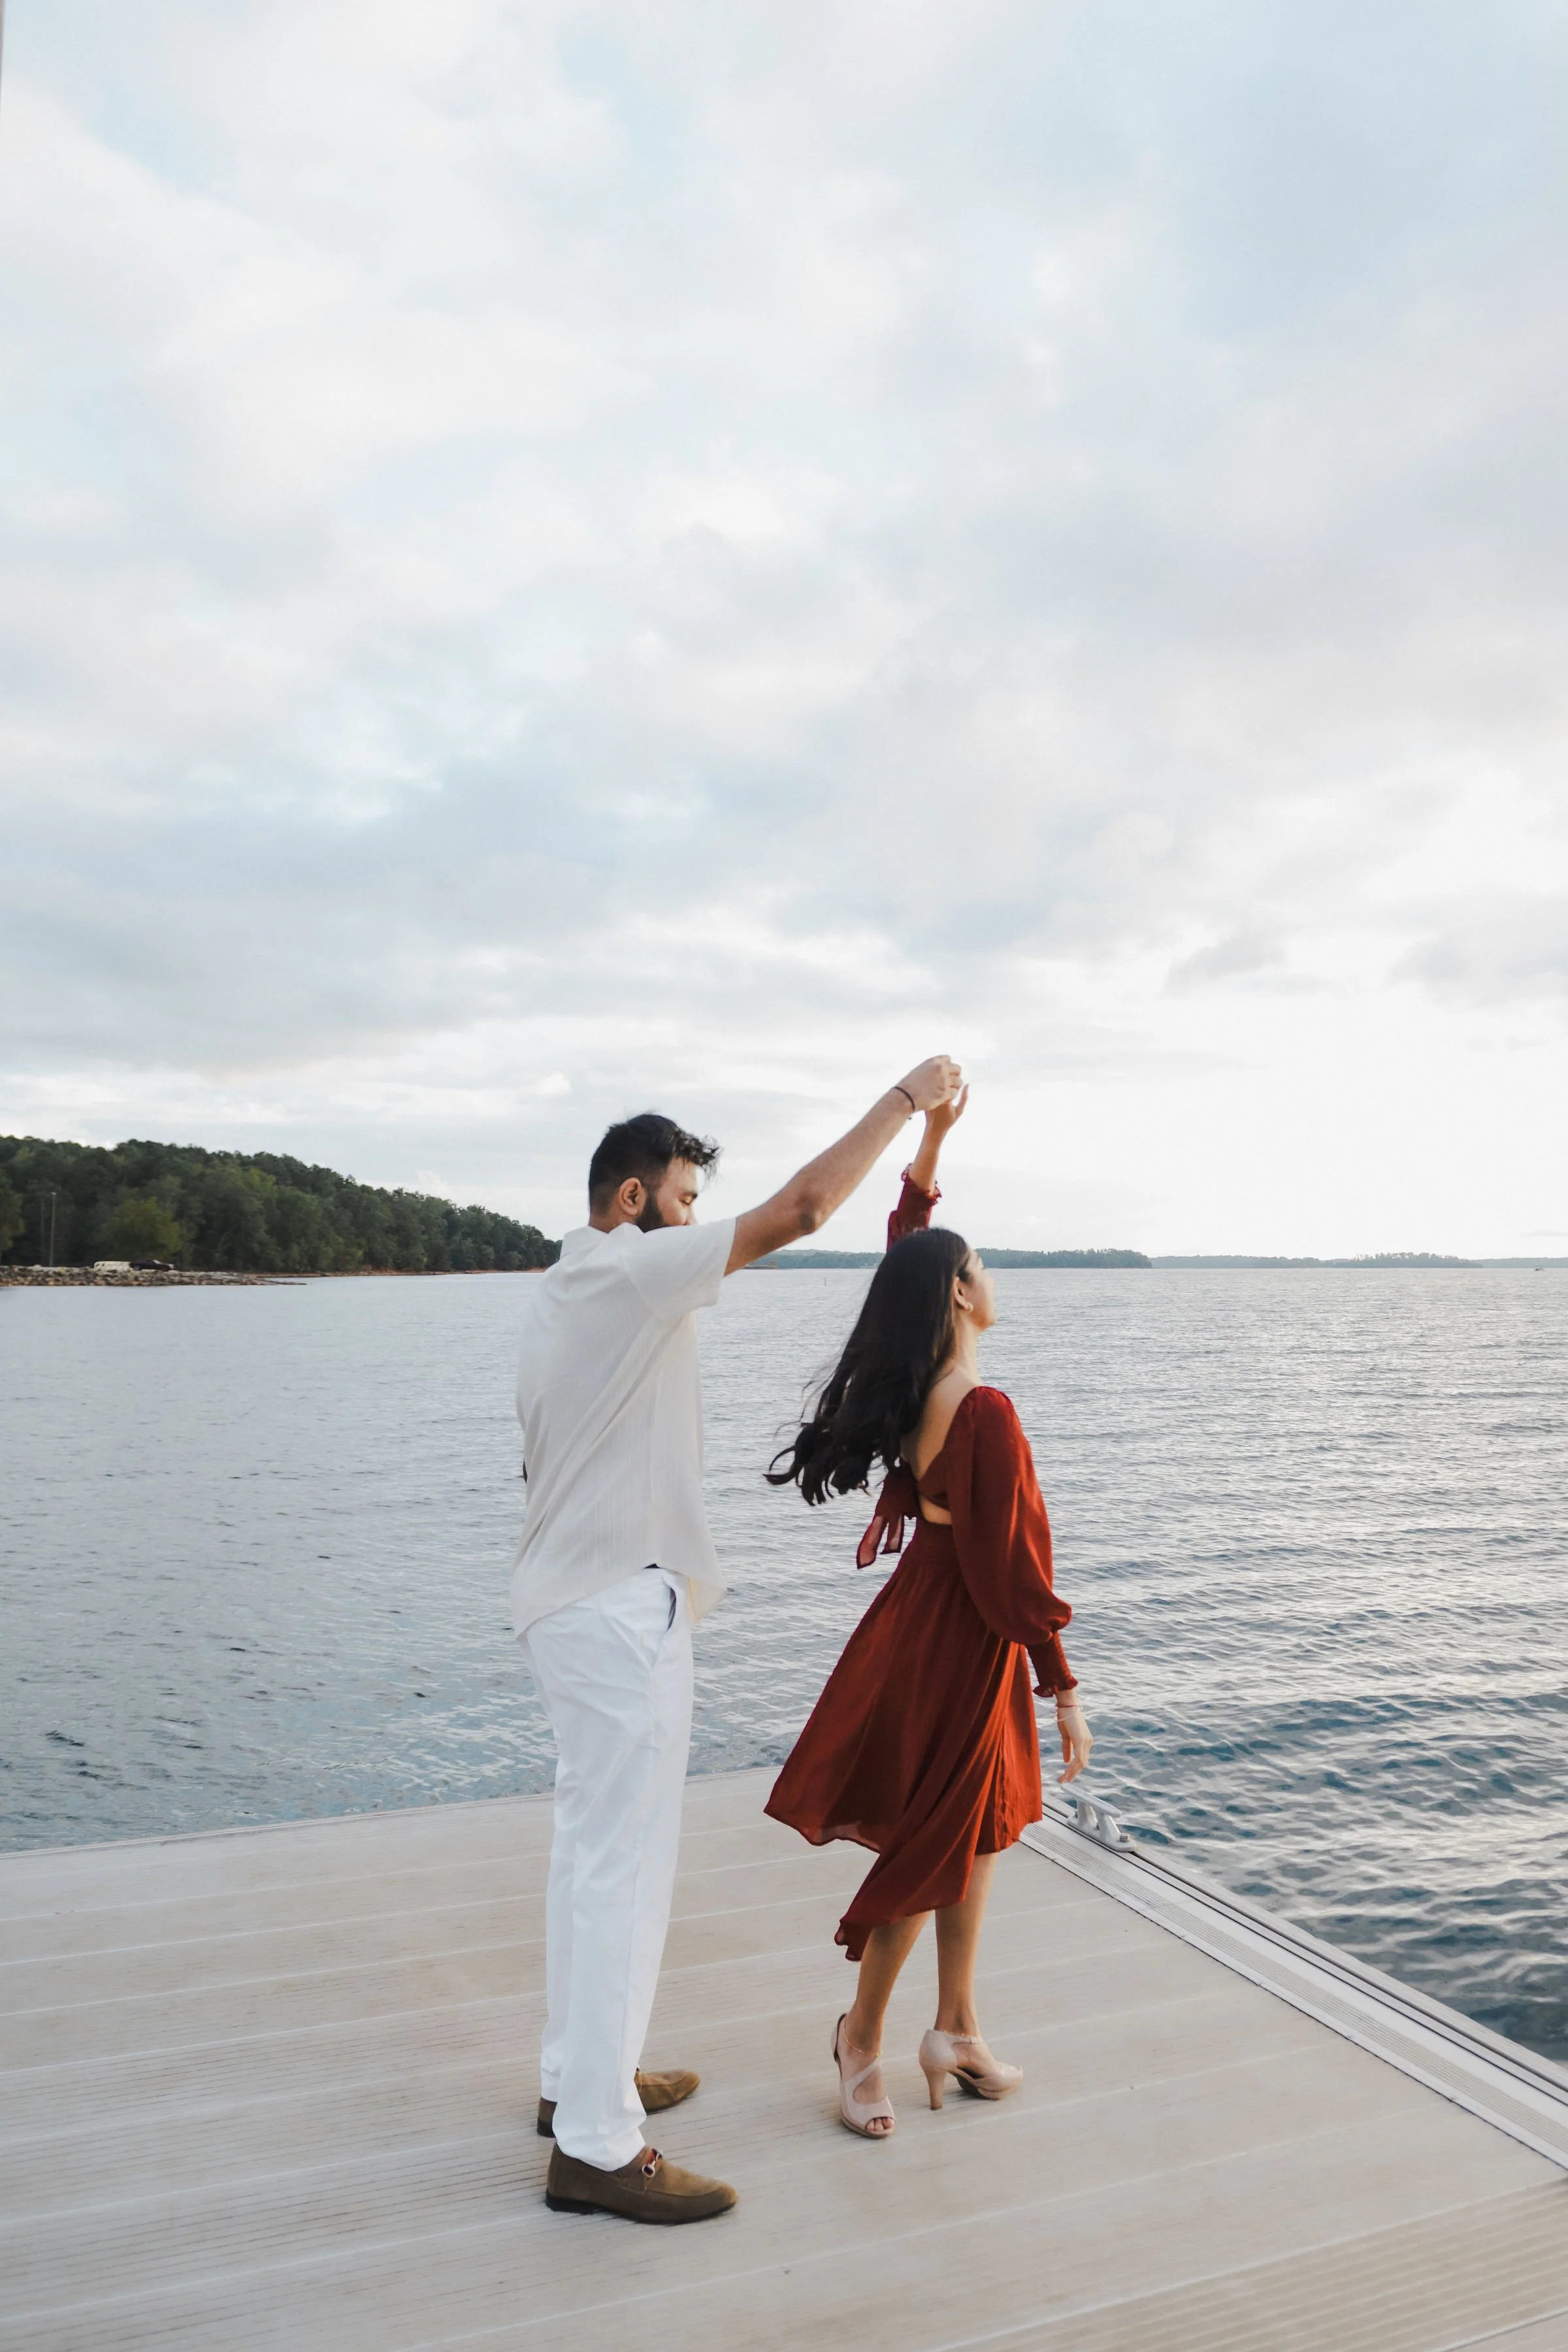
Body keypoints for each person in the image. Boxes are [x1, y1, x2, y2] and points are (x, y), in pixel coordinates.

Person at [513, 1057, 963, 2224]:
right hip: (615, 1610)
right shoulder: (629, 1269)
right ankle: (600, 2152)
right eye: (684, 1200)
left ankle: (579, 2086)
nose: (693, 1225)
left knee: (586, 1858)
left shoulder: (563, 1294)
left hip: (567, 1603)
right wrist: (907, 1101)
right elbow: (805, 1212)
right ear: (631, 1202)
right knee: (623, 1870)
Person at [764, 1090, 1092, 2138]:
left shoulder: (919, 1382)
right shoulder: (982, 1411)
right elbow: (1015, 1573)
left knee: (979, 1828)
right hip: (968, 1638)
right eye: (981, 1265)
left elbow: (909, 1250)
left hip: (923, 1624)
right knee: (932, 1840)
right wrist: (1065, 1687)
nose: (993, 1277)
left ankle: (954, 2025)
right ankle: (861, 2035)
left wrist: (935, 1144)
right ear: (959, 1294)